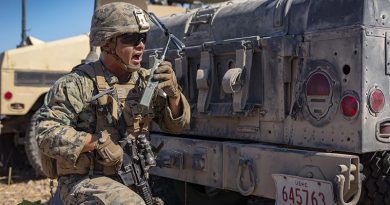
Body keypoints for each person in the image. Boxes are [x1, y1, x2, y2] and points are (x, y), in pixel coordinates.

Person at [35, 2, 190, 205]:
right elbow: (45, 132)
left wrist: (173, 94)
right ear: (106, 43)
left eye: (142, 38)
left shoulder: (146, 81)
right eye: (130, 38)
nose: (140, 45)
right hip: (83, 181)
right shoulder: (77, 83)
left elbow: (177, 126)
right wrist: (95, 142)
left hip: (132, 181)